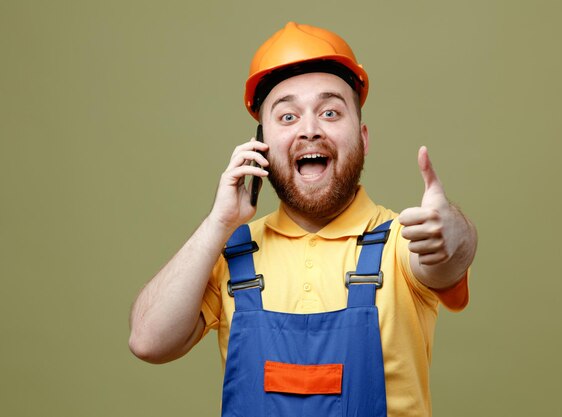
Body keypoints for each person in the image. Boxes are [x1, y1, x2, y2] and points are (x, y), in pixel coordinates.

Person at [129, 22, 477, 417]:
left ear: (363, 138)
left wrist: (453, 232)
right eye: (288, 117)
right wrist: (217, 223)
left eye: (330, 112)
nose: (310, 130)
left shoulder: (402, 241)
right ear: (261, 145)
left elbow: (449, 257)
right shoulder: (230, 253)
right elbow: (148, 341)